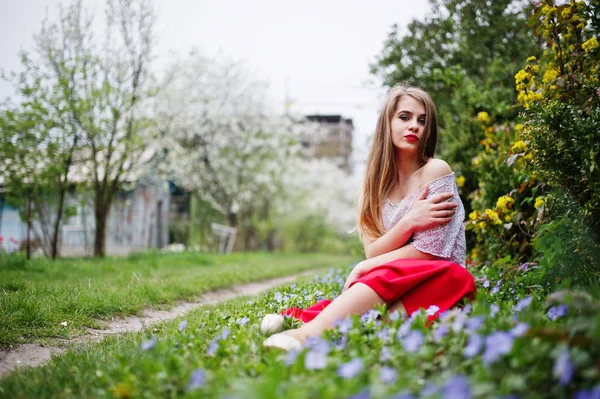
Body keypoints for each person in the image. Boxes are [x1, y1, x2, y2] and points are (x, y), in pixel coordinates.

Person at [263, 84, 476, 351]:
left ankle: (305, 335)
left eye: (422, 121)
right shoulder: (375, 187)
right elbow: (372, 251)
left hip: (441, 282)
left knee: (406, 277)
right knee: (379, 297)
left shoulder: (435, 171)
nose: (414, 126)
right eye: (405, 117)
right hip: (392, 281)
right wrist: (409, 220)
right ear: (387, 123)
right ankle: (309, 324)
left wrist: (365, 268)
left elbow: (431, 252)